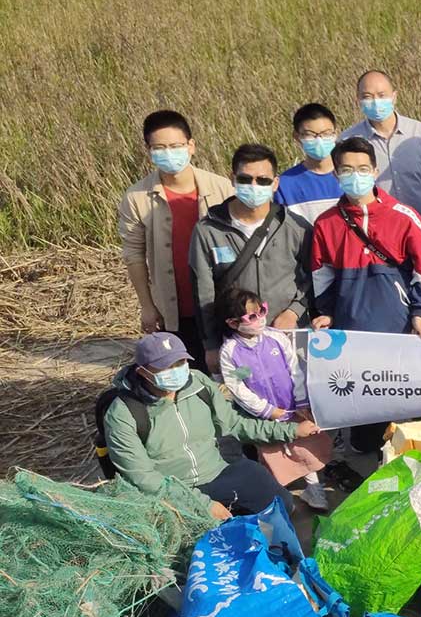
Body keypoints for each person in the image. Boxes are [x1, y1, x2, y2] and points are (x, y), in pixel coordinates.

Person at [308, 137, 421, 451]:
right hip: (352, 337)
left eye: (361, 168)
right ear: (335, 174)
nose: (354, 175)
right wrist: (326, 311)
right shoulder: (326, 224)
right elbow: (322, 276)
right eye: (346, 169)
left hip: (399, 332)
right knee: (367, 429)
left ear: (374, 170)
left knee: (410, 420)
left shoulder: (402, 216)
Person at [103, 332, 315, 516]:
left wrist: (291, 430)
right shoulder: (123, 412)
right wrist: (202, 504)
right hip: (172, 489)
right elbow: (142, 477)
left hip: (217, 471)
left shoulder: (198, 383)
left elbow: (235, 424)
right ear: (143, 372)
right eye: (165, 368)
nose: (176, 371)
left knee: (282, 505)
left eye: (180, 363)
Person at [118, 110, 233, 367]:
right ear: (148, 150)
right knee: (183, 374)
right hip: (174, 307)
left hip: (221, 303)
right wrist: (147, 306)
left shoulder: (221, 188)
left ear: (191, 146)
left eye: (175, 146)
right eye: (159, 148)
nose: (168, 154)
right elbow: (134, 254)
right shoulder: (137, 196)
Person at [215, 287, 332, 510]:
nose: (259, 319)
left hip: (292, 408)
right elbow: (237, 387)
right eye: (251, 316)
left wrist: (301, 402)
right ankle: (279, 496)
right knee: (273, 458)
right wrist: (267, 410)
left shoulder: (276, 338)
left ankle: (314, 490)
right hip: (263, 418)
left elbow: (295, 371)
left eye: (261, 311)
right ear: (232, 323)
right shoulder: (230, 352)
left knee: (304, 449)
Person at [189, 143, 310, 348]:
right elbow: (204, 293)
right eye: (245, 179)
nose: (254, 186)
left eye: (263, 180)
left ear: (275, 183)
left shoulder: (296, 227)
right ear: (232, 179)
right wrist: (211, 345)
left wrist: (294, 311)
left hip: (288, 336)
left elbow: (314, 279)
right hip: (235, 342)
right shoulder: (208, 229)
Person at [342, 69, 421, 242]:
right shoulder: (348, 140)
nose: (376, 102)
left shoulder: (419, 132)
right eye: (367, 96)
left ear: (394, 96)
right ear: (358, 100)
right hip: (377, 240)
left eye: (382, 95)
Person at [275, 103, 345, 225]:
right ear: (296, 137)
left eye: (326, 133)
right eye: (310, 135)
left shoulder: (352, 177)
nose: (319, 140)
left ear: (336, 133)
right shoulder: (285, 184)